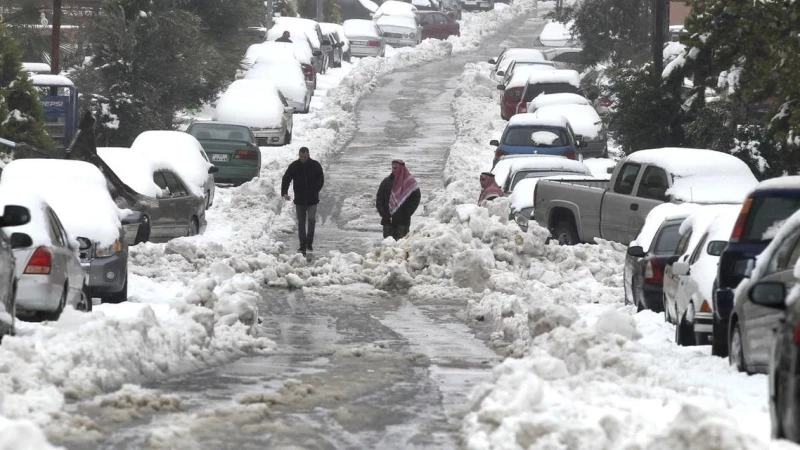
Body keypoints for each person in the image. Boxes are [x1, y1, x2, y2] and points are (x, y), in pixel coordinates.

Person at [281, 147, 324, 254]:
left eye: (304, 156)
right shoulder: (294, 166)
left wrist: (316, 190)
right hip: (299, 200)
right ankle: (302, 245)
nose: (302, 158)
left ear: (308, 155)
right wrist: (284, 192)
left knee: (311, 220)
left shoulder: (315, 165)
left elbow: (321, 179)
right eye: (300, 156)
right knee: (301, 223)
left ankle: (309, 243)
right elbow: (286, 178)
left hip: (312, 200)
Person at [376, 159, 421, 240]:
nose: (394, 170)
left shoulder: (409, 183)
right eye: (393, 168)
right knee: (388, 246)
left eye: (396, 168)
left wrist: (406, 213)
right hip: (388, 221)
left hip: (402, 222)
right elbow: (379, 198)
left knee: (401, 245)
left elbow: (416, 197)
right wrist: (383, 213)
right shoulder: (386, 182)